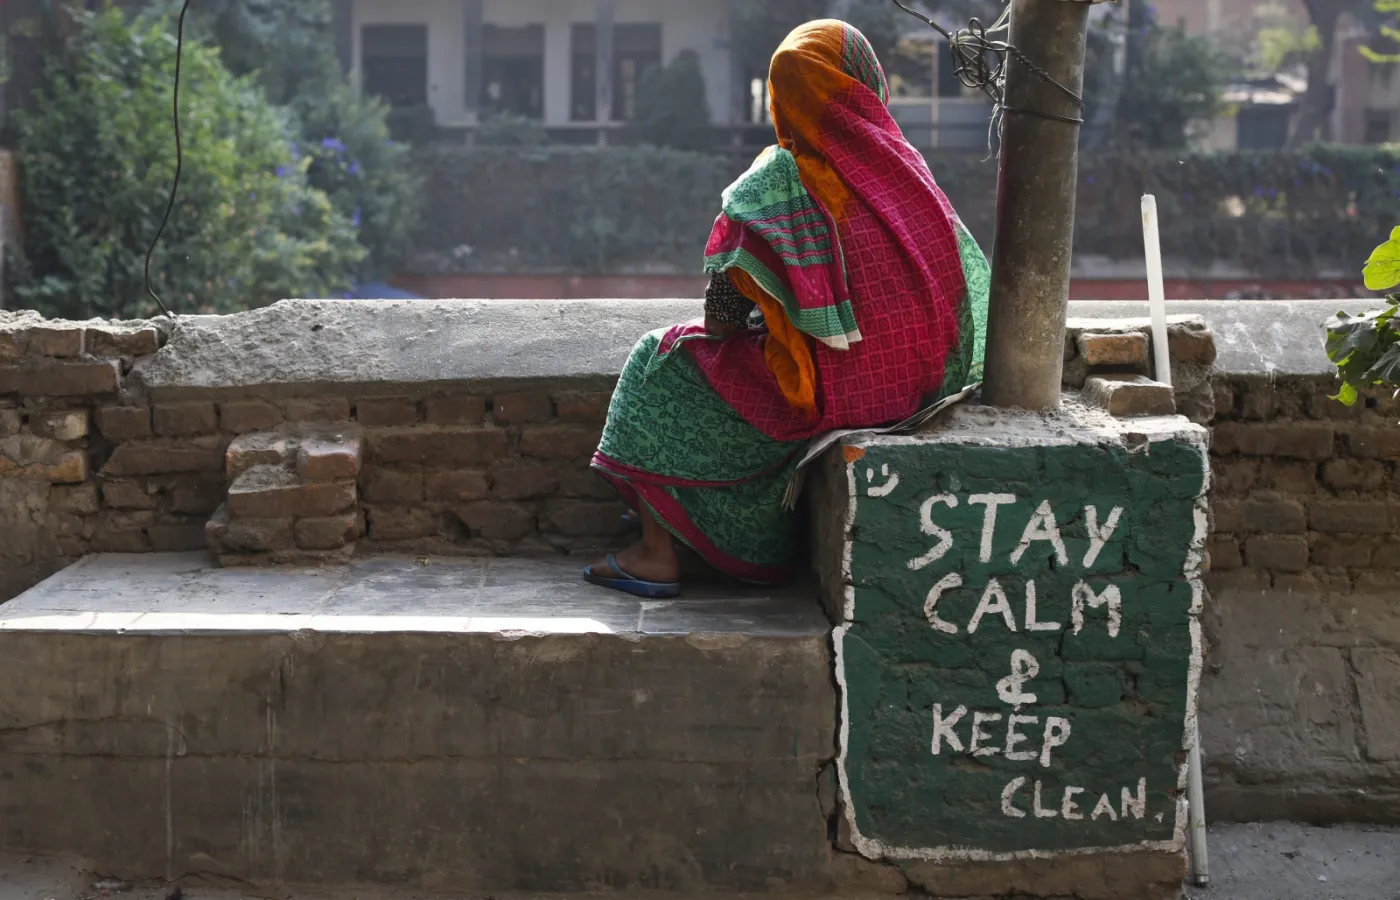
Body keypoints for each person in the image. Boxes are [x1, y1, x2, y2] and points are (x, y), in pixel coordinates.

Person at [584, 19, 989, 598]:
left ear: (785, 94)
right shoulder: (908, 172)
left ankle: (655, 551)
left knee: (661, 358)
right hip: (916, 389)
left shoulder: (776, 182)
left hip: (835, 395)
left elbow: (722, 317)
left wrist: (778, 315)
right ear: (863, 82)